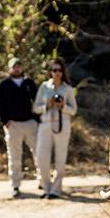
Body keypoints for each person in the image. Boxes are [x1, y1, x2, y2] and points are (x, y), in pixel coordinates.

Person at [0, 56, 39, 199]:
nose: (17, 69)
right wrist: (5, 121)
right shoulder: (3, 84)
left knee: (39, 153)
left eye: (19, 66)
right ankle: (15, 185)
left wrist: (37, 119)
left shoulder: (29, 83)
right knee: (15, 156)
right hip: (13, 125)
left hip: (30, 123)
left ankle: (43, 181)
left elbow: (38, 100)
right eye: (14, 66)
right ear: (10, 68)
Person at [33, 57, 77, 199]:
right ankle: (46, 187)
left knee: (60, 158)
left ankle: (56, 190)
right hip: (45, 124)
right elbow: (35, 108)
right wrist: (47, 105)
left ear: (63, 72)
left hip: (62, 124)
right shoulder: (44, 87)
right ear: (50, 72)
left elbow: (74, 110)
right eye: (54, 70)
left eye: (59, 70)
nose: (57, 73)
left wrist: (63, 106)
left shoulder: (68, 89)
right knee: (41, 157)